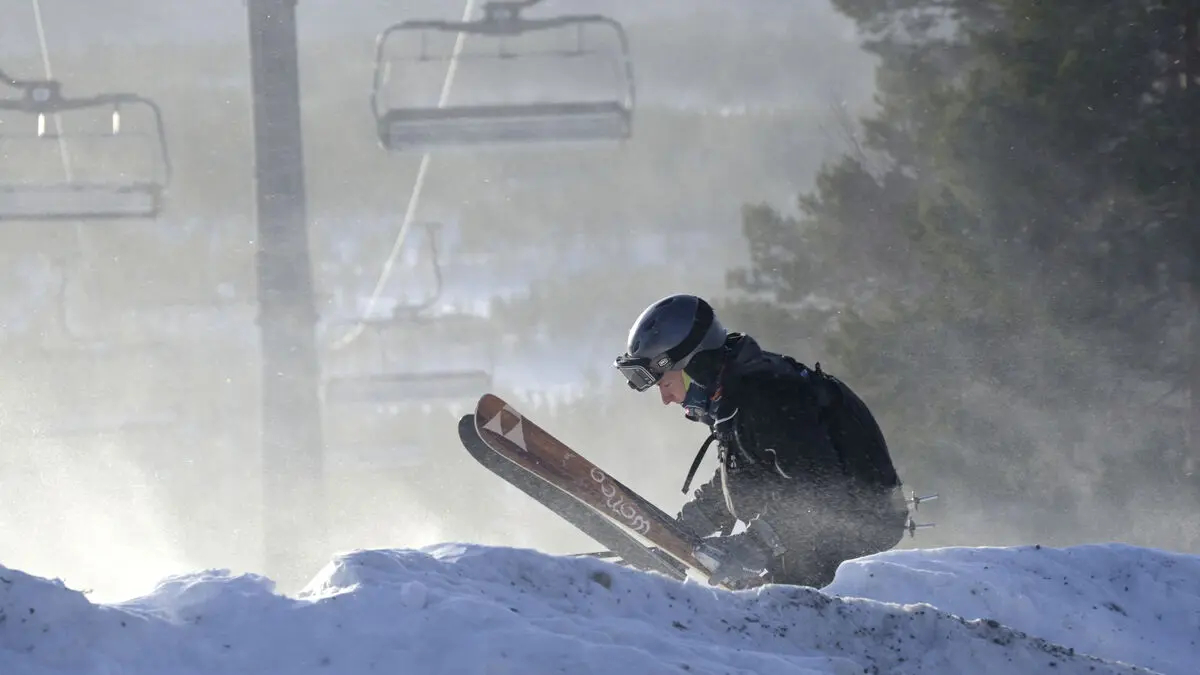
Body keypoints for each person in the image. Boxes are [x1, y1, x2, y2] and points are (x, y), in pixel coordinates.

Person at [612, 293, 910, 589]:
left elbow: (819, 492)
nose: (666, 399)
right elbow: (748, 474)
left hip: (853, 554)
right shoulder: (740, 394)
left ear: (693, 367)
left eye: (665, 383)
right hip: (820, 550)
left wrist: (753, 546)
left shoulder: (769, 395)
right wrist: (684, 533)